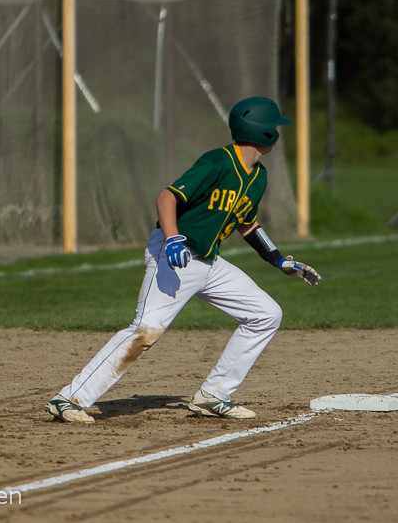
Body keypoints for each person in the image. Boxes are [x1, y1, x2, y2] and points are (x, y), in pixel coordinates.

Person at [45, 96, 321, 424]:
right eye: (273, 125)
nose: (277, 131)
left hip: (207, 261)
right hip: (174, 253)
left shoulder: (257, 176)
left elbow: (247, 223)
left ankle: (214, 395)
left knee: (265, 314)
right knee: (146, 330)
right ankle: (70, 399)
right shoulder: (218, 161)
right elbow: (168, 197)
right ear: (262, 132)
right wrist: (173, 236)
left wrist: (278, 260)